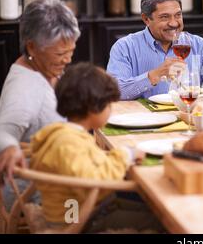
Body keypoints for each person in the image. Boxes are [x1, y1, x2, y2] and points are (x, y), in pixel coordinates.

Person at [30, 62, 161, 232]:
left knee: (151, 209)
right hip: (79, 218)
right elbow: (92, 182)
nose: (111, 110)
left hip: (89, 207)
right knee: (161, 221)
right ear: (94, 109)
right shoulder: (68, 143)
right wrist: (124, 155)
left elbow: (84, 165)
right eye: (109, 105)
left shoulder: (63, 134)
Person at [107, 0, 203, 100]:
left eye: (178, 15)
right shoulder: (125, 47)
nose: (174, 23)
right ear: (146, 19)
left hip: (188, 117)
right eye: (165, 17)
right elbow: (114, 92)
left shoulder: (198, 45)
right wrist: (155, 75)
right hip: (144, 122)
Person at [0, 0, 80, 182]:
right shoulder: (24, 87)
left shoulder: (45, 68)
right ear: (32, 47)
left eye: (71, 51)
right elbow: (2, 132)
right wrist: (9, 148)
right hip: (38, 198)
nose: (67, 60)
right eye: (60, 54)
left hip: (59, 184)